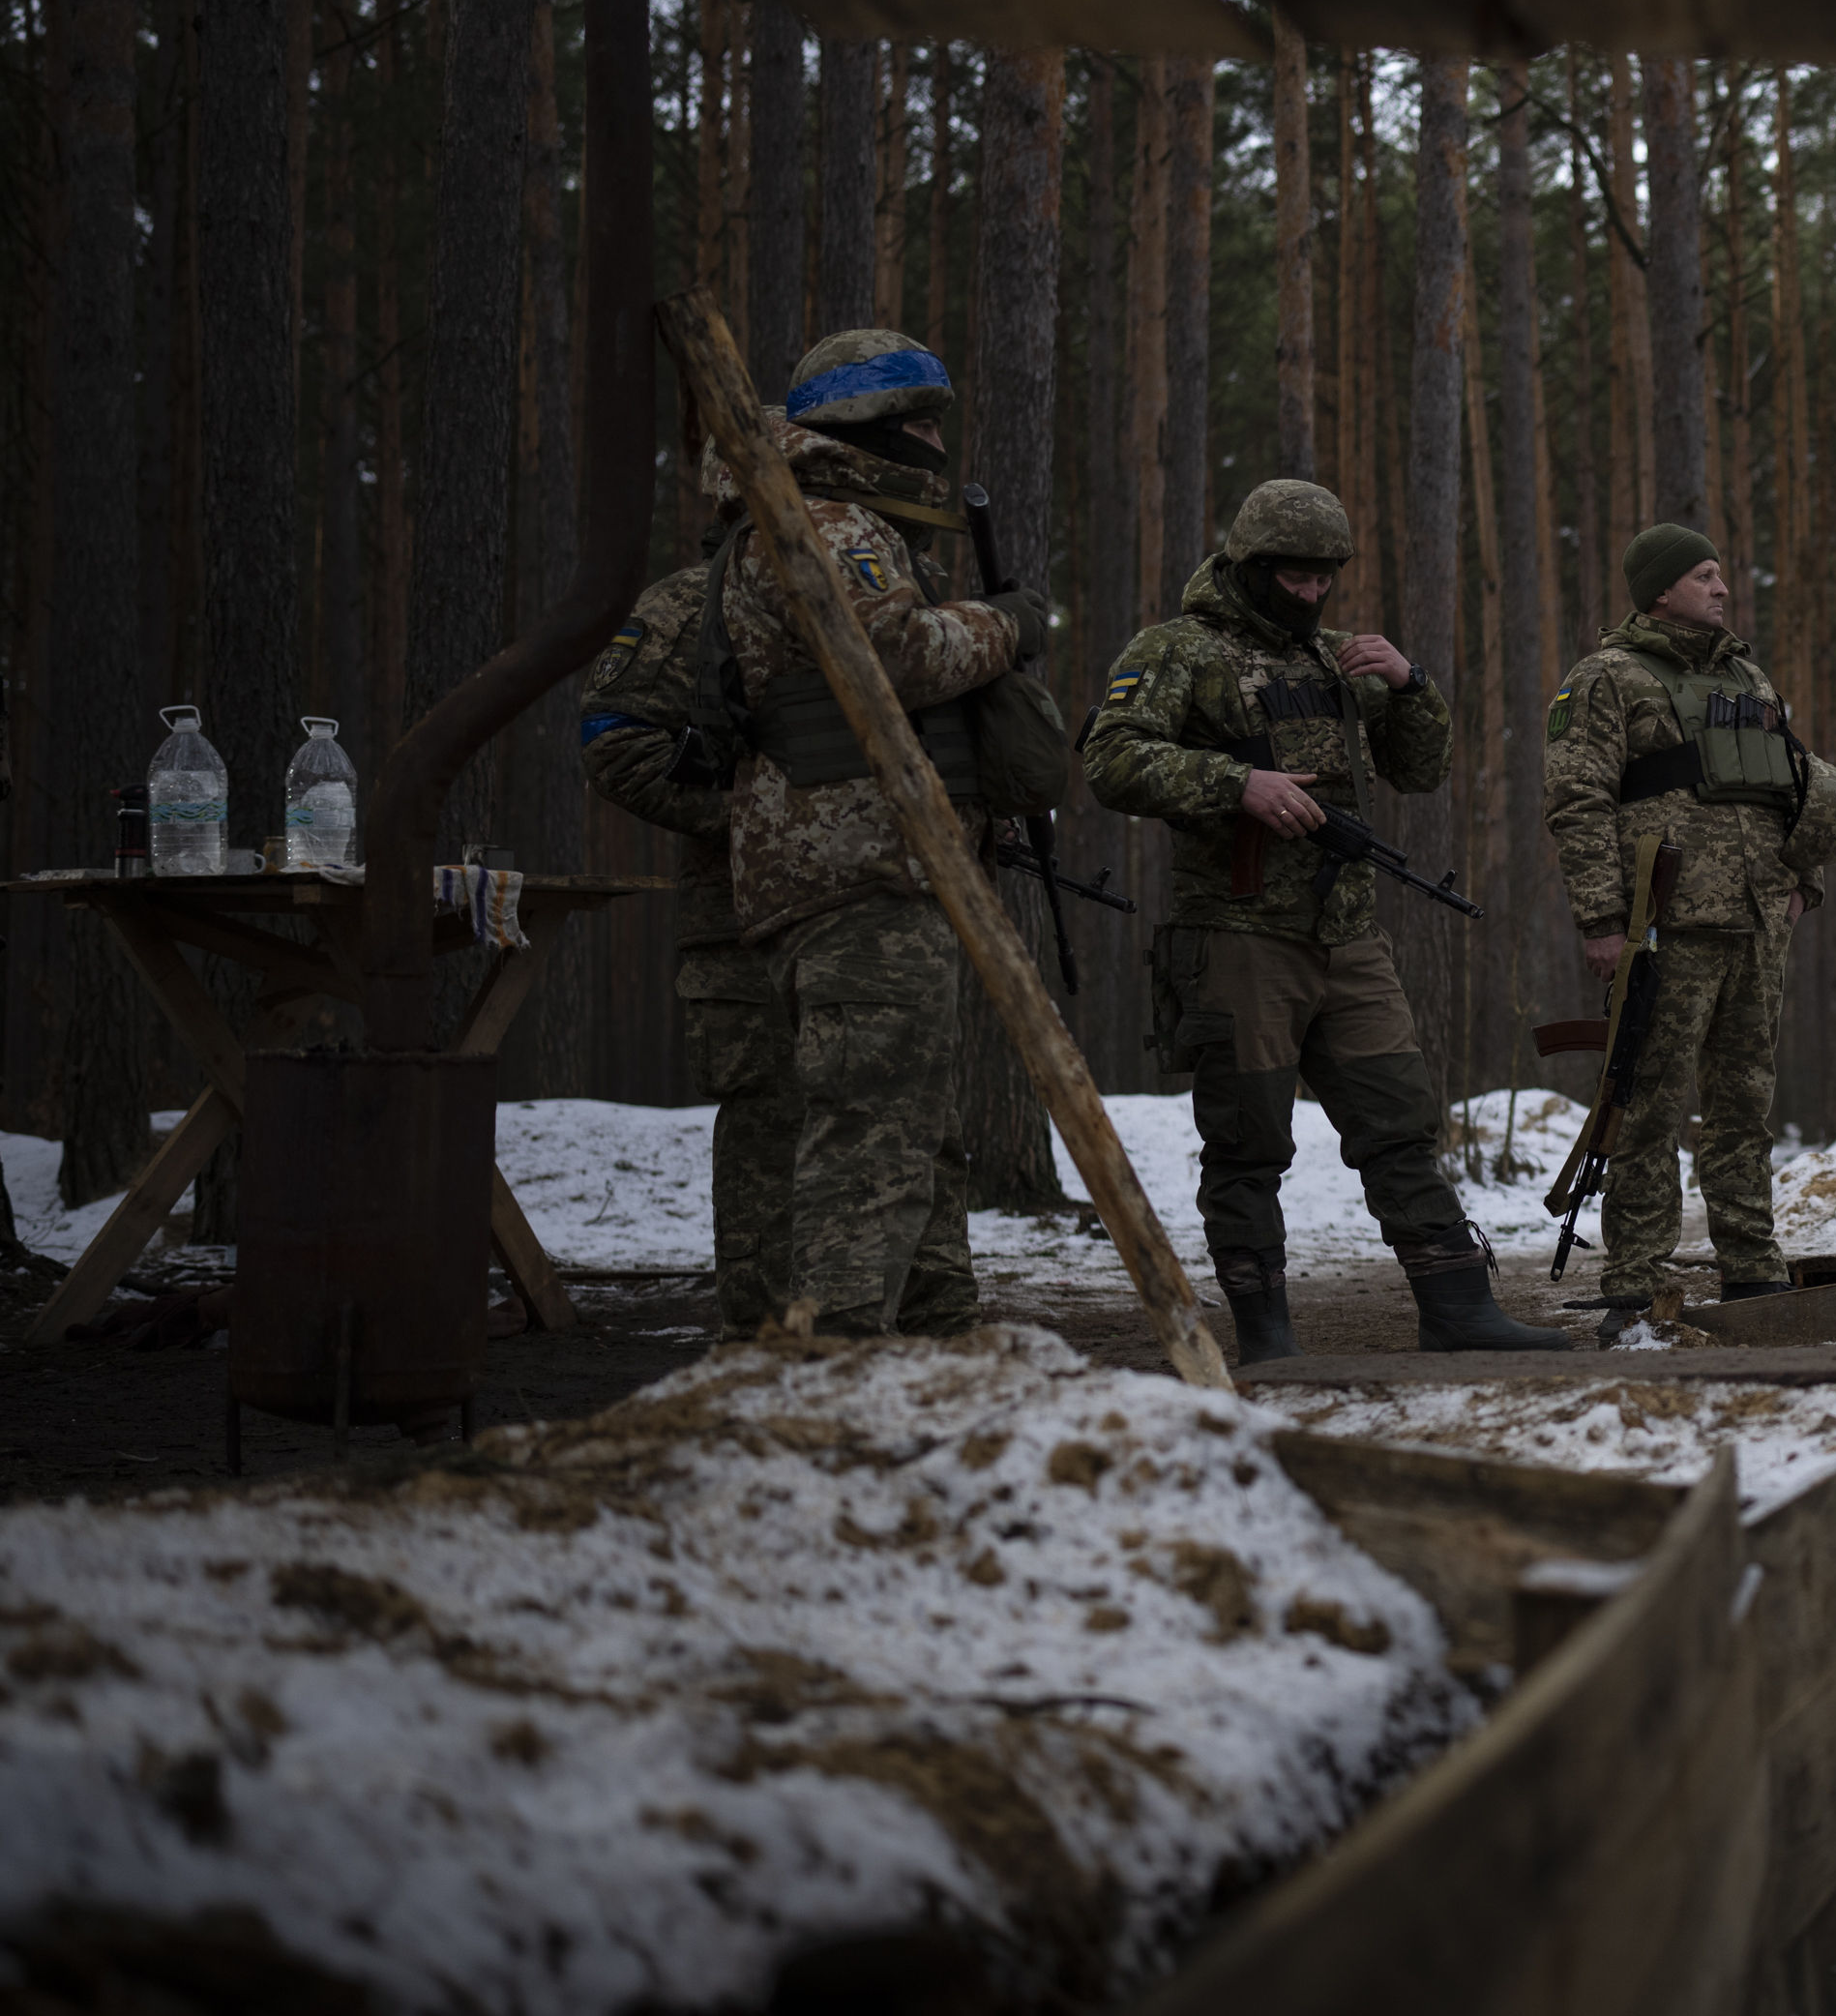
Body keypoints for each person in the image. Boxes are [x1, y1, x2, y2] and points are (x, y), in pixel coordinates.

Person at [1081, 480, 1572, 1361]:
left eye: (1324, 579)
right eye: (1295, 577)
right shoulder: (1176, 651)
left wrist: (1410, 683)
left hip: (1347, 934)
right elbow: (1110, 759)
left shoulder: (1339, 659)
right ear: (1250, 564)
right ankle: (1266, 1335)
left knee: (1401, 1120)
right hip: (1237, 935)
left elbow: (1420, 770)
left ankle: (1457, 1307)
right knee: (1247, 1138)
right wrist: (1239, 785)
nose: (1312, 594)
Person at [714, 327, 1037, 1335]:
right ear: (873, 425)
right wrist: (1008, 625)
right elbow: (888, 656)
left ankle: (934, 1340)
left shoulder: (831, 520)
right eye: (922, 421)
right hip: (859, 870)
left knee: (914, 1126)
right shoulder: (832, 526)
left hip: (870, 868)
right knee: (872, 1138)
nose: (937, 442)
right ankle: (838, 1361)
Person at [1542, 522, 1836, 1340]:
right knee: (1646, 1102)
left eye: (1722, 574)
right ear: (1658, 589)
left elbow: (1795, 784)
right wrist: (1604, 920)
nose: (1723, 587)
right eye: (1705, 575)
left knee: (1744, 1104)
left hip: (1758, 921)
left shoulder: (1747, 676)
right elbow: (1578, 802)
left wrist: (1805, 882)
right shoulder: (1608, 678)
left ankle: (1753, 1267)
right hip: (1666, 926)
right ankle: (1637, 1281)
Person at [576, 505, 799, 1339]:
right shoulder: (687, 604)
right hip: (740, 919)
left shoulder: (863, 592)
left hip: (863, 918)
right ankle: (766, 1342)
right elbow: (613, 742)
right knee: (766, 1127)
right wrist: (759, 815)